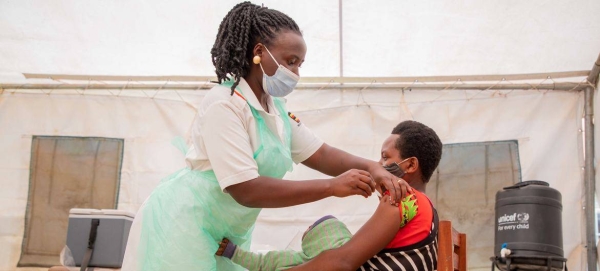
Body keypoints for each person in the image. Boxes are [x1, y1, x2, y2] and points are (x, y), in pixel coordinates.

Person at [121, 2, 410, 270]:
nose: (296, 72)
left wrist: (374, 168)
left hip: (224, 231)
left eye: (300, 64)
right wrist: (331, 186)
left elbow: (320, 154)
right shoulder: (225, 103)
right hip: (183, 227)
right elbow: (245, 189)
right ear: (259, 52)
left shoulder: (276, 111)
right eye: (291, 60)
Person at [287, 120, 443, 271]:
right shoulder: (428, 209)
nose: (378, 165)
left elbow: (344, 262)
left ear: (410, 165)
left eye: (385, 157)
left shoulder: (402, 198)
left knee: (326, 227)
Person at [215, 215, 352, 271]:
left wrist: (234, 252)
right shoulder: (360, 254)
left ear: (315, 237)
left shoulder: (293, 259)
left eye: (310, 227)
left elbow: (260, 263)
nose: (307, 228)